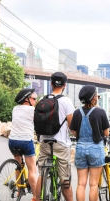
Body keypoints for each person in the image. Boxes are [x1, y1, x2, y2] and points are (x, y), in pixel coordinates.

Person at [36, 72, 75, 201]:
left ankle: (36, 198)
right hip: (61, 143)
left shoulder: (42, 100)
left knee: (41, 173)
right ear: (65, 85)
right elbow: (71, 124)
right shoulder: (66, 101)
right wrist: (76, 135)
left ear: (51, 83)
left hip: (44, 141)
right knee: (64, 178)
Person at [70, 85, 110, 201]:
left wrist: (80, 136)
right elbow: (106, 133)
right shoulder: (100, 112)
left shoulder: (77, 112)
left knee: (81, 184)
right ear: (94, 98)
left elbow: (73, 131)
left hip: (80, 148)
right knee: (93, 184)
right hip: (96, 149)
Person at [8, 88, 38, 201]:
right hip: (25, 141)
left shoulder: (15, 109)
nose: (35, 101)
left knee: (18, 165)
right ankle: (35, 197)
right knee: (32, 169)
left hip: (12, 141)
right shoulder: (32, 110)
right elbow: (38, 124)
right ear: (27, 99)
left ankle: (19, 191)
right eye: (34, 99)